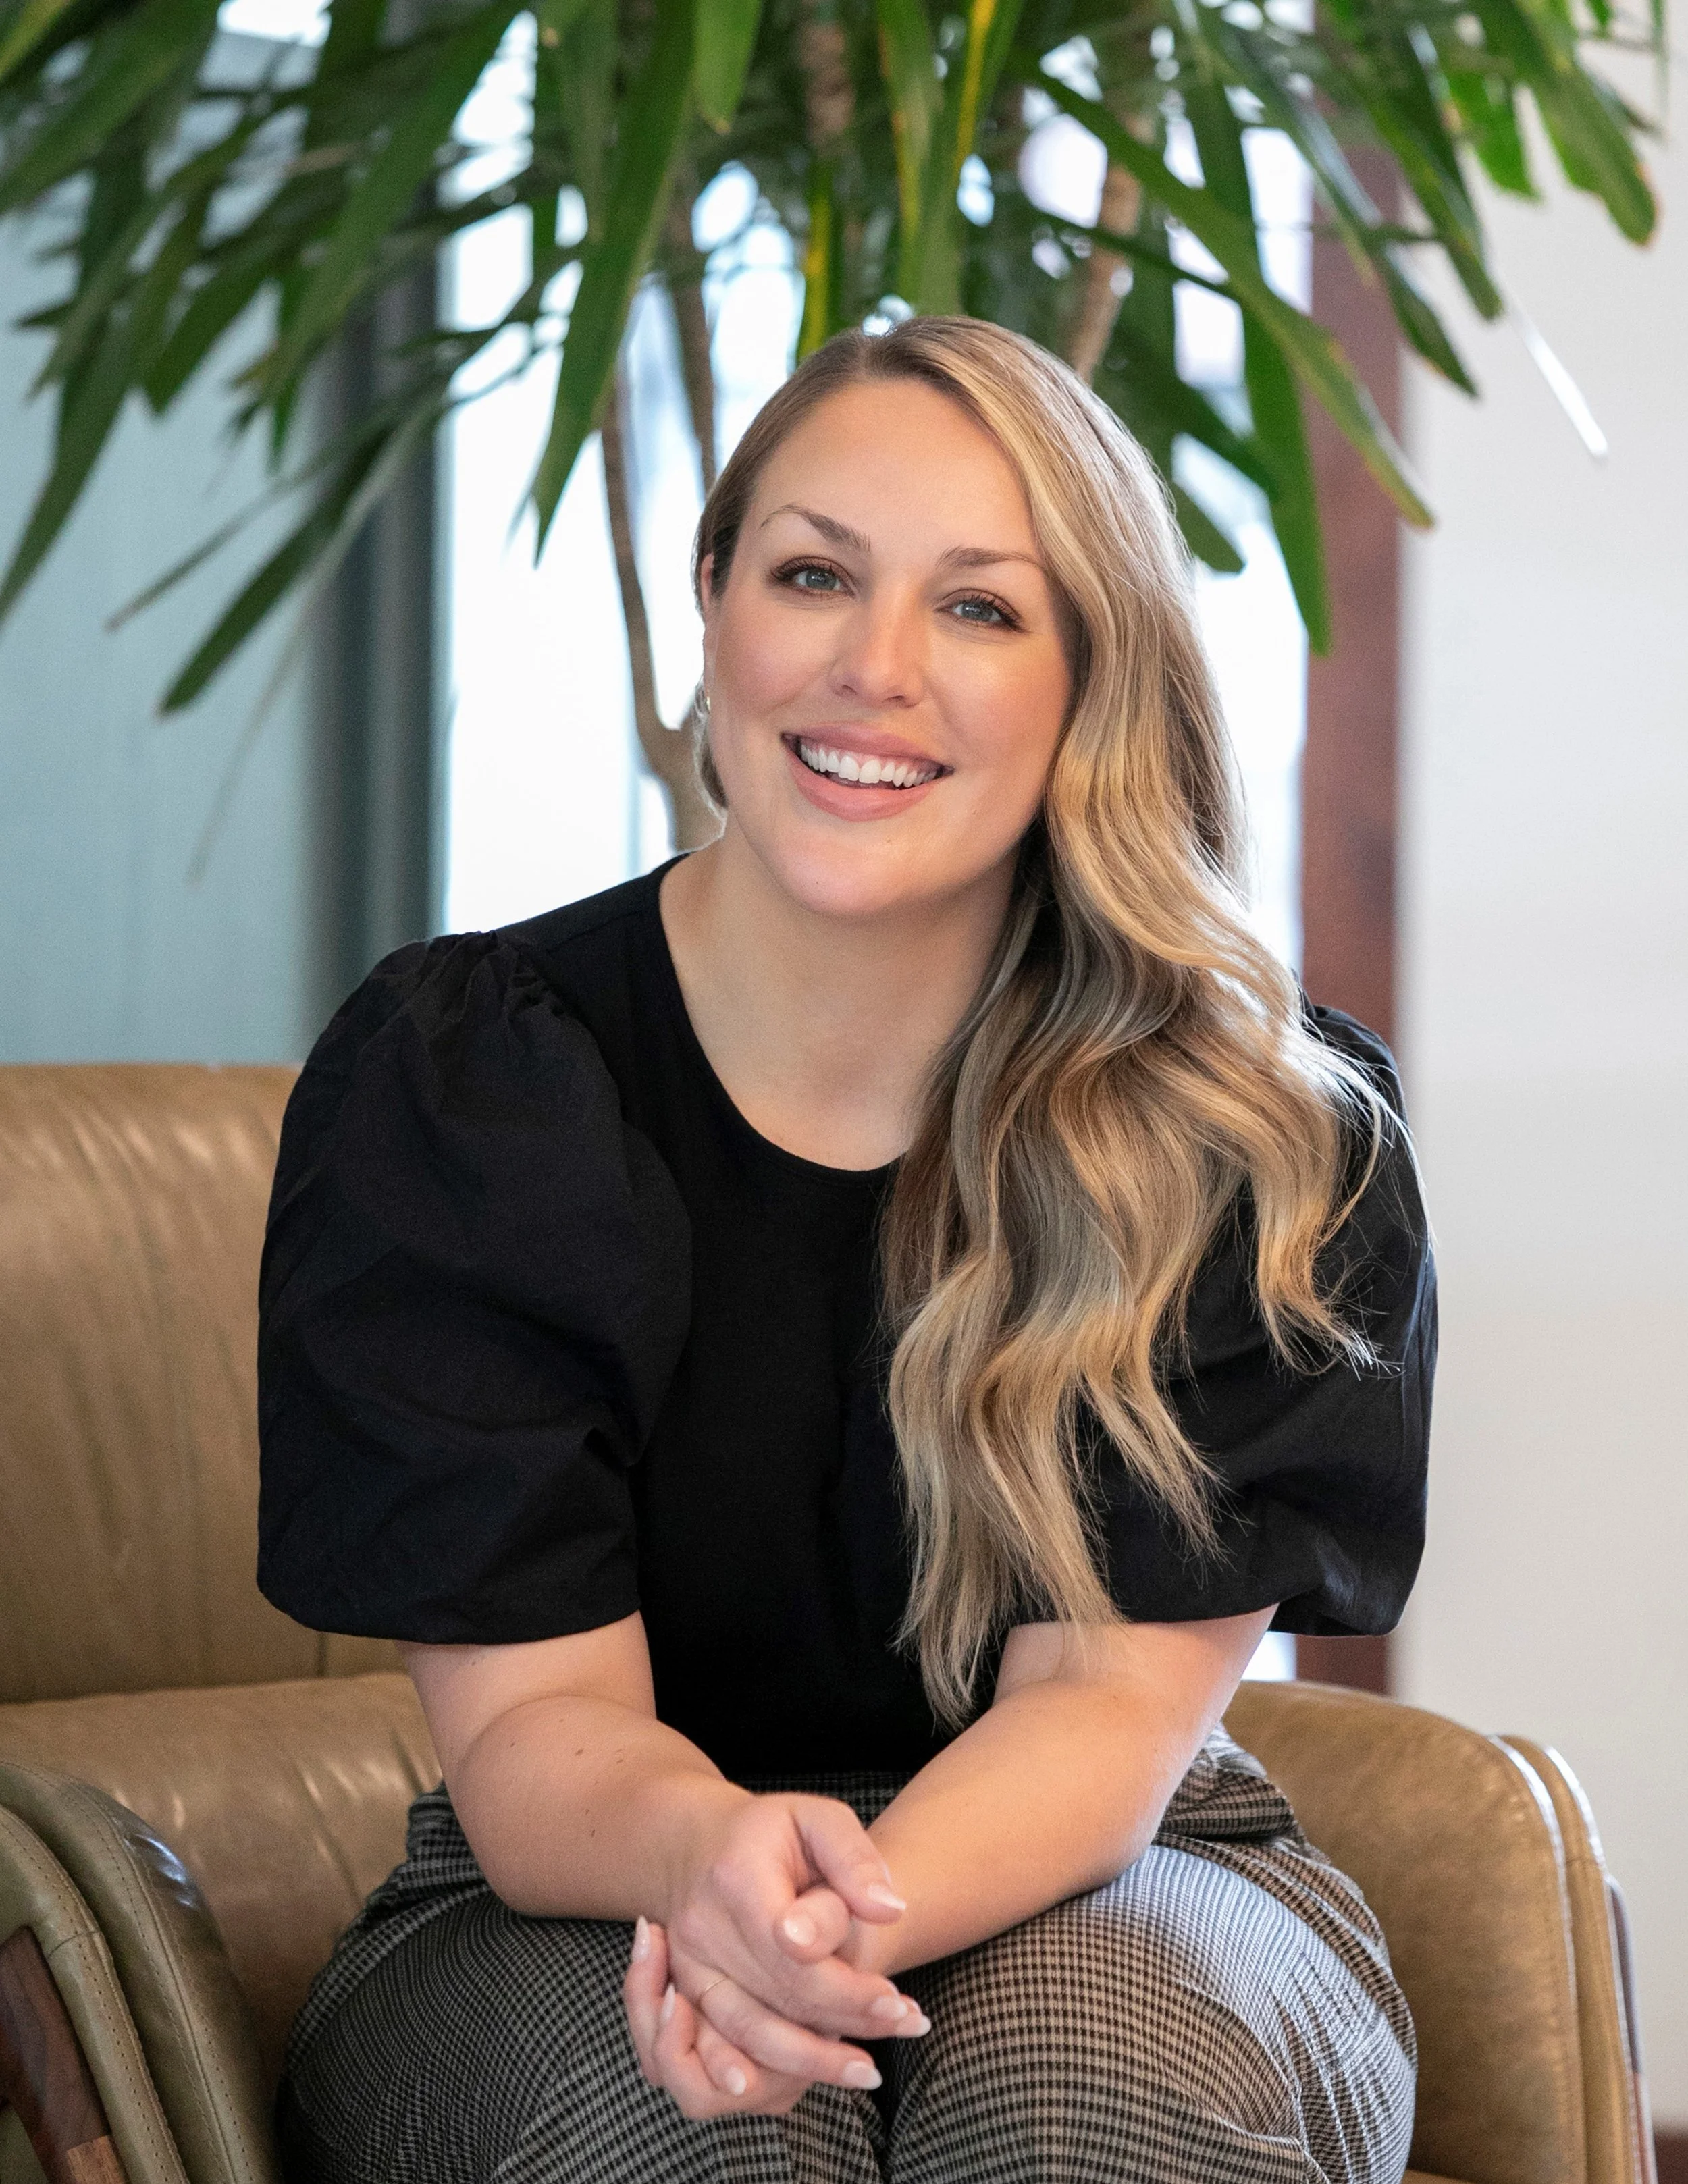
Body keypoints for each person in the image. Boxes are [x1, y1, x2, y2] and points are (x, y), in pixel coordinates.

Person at [257, 314, 1435, 2184]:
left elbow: (1108, 1713)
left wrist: (811, 1931)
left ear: (1086, 676)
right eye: (813, 575)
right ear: (711, 602)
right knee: (704, 2140)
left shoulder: (1256, 1129)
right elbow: (543, 1735)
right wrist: (710, 1878)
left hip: (1123, 1860)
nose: (873, 670)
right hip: (572, 1885)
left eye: (978, 609)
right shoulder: (465, 1087)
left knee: (1081, 2101)